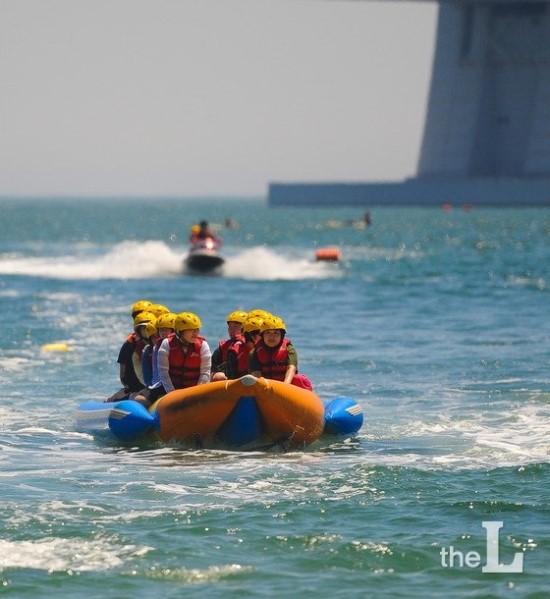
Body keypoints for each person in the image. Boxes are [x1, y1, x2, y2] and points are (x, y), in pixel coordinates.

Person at [249, 315, 313, 390]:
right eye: (268, 333)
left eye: (276, 333)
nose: (271, 337)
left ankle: (313, 399)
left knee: (300, 379)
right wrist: (264, 386)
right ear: (262, 335)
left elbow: (291, 368)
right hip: (265, 385)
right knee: (249, 380)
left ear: (281, 336)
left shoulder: (289, 348)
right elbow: (256, 373)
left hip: (285, 383)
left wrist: (285, 385)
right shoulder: (255, 352)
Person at [157, 311, 211, 392]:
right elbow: (163, 373)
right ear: (179, 332)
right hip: (170, 389)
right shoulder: (166, 344)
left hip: (196, 389)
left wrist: (197, 393)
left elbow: (205, 373)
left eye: (197, 329)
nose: (195, 333)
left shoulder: (203, 345)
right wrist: (172, 393)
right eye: (191, 329)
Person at [211, 310, 248, 381]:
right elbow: (213, 374)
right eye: (230, 327)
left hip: (250, 380)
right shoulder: (221, 349)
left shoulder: (254, 346)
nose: (232, 330)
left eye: (236, 327)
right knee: (218, 376)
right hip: (229, 383)